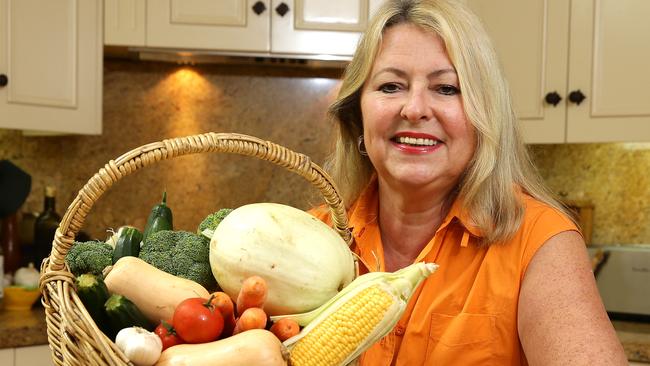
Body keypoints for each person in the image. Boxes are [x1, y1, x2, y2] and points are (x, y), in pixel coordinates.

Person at [311, 0, 628, 364]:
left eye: (447, 88)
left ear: (485, 115)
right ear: (357, 114)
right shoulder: (314, 236)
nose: (414, 109)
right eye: (391, 86)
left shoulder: (540, 243)